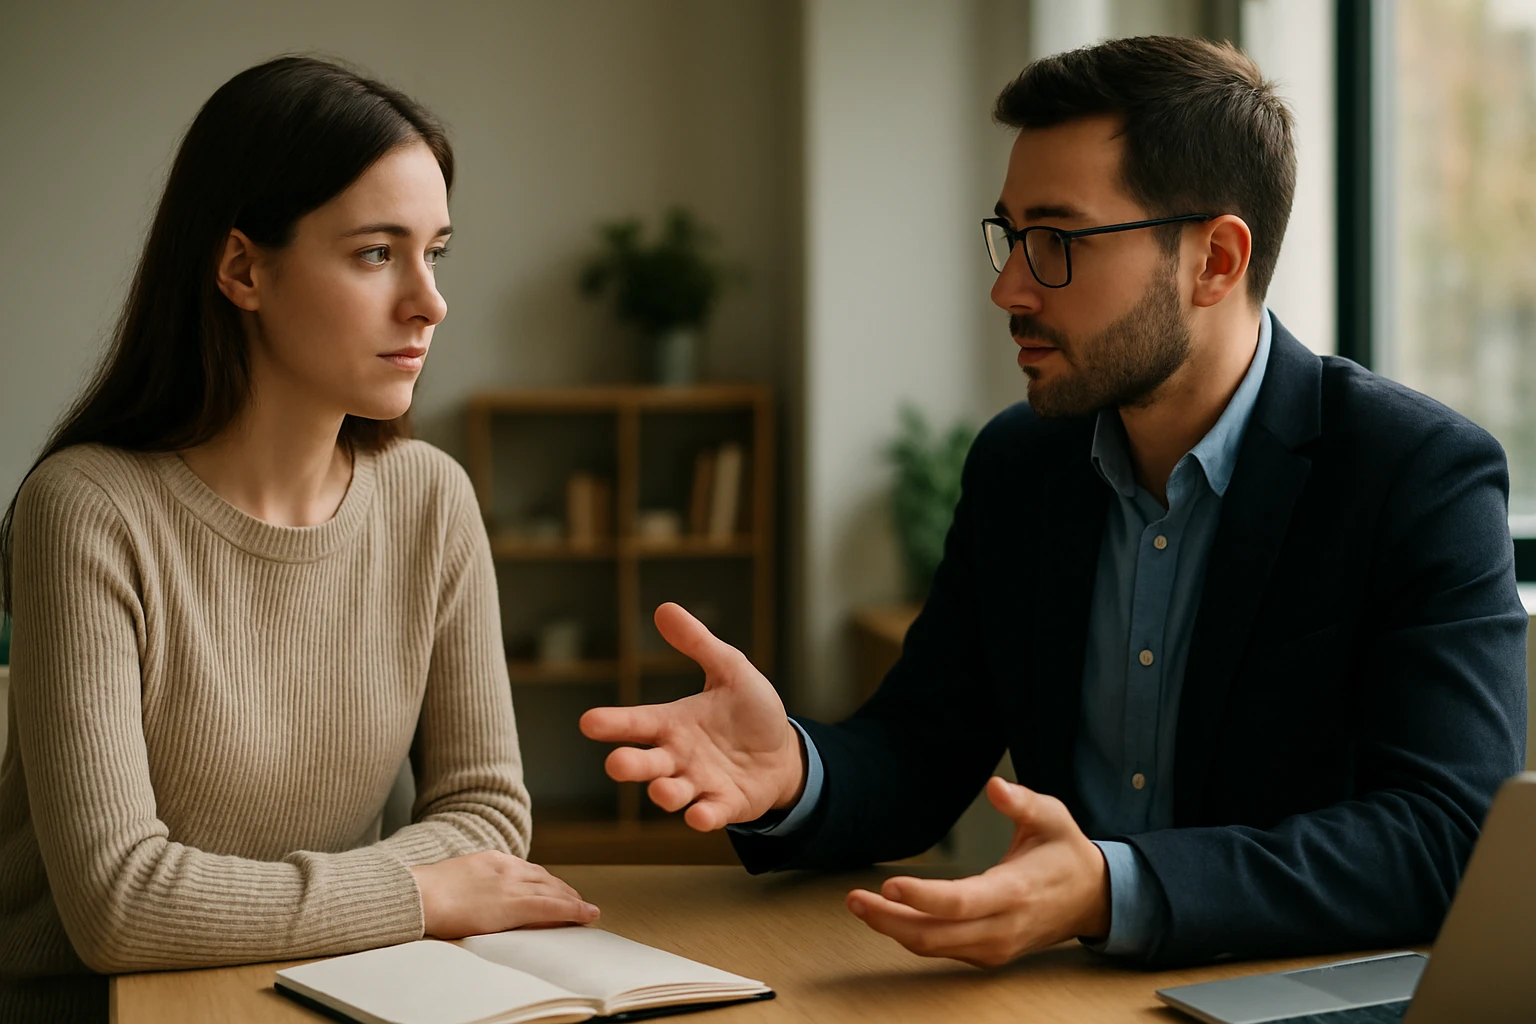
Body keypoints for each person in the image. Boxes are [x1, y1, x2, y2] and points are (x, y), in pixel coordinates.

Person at [581, 35, 1528, 969]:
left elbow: (1449, 837)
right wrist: (793, 770)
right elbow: (923, 750)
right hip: (1069, 999)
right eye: (1010, 235)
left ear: (1216, 261)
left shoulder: (1415, 474)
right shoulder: (1022, 464)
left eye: (1057, 242)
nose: (1009, 286)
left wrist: (1117, 888)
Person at [0, 56, 596, 1021]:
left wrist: (361, 902)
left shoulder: (432, 500)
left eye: (435, 251)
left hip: (331, 992)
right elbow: (119, 905)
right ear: (242, 269)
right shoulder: (86, 511)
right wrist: (417, 893)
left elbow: (489, 816)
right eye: (375, 253)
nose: (428, 301)